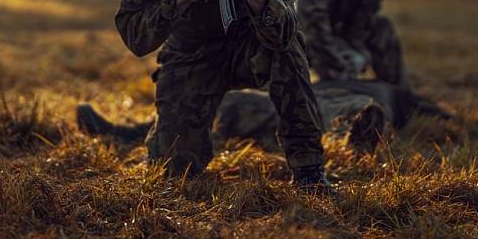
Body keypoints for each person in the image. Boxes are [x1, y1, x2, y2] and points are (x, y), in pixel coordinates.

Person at [114, 0, 330, 189]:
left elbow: (285, 34)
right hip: (190, 58)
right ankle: (155, 135)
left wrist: (261, 0)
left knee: (291, 47)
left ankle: (309, 170)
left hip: (245, 53)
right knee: (175, 171)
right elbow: (134, 37)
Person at [295, 0, 447, 117]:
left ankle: (401, 98)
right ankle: (328, 102)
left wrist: (356, 56)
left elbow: (360, 29)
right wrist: (337, 63)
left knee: (382, 29)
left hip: (329, 38)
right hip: (287, 36)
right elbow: (311, 29)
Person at [77, 78, 414, 155]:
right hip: (320, 91)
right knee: (239, 102)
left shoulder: (392, 90)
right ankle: (140, 132)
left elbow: (420, 102)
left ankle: (129, 135)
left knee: (237, 103)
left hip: (349, 100)